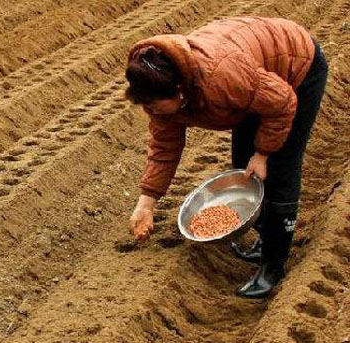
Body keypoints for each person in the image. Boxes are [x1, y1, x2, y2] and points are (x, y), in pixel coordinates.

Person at [126, 17, 328, 299]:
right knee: (243, 165)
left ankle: (273, 265)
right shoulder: (158, 93)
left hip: (296, 69)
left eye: (154, 105)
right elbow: (164, 146)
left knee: (280, 166)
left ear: (179, 92)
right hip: (253, 79)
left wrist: (264, 152)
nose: (151, 111)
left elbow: (282, 103)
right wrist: (146, 204)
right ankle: (264, 238)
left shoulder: (221, 77)